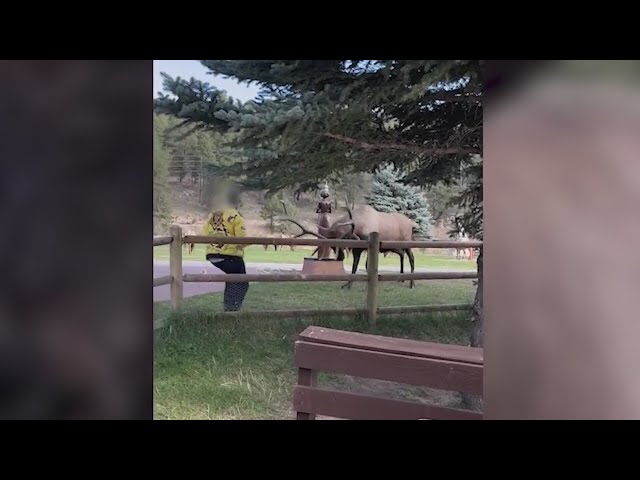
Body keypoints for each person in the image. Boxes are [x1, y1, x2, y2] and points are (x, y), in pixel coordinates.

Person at [204, 190, 249, 311]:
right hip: (229, 255)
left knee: (232, 279)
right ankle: (232, 309)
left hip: (212, 254)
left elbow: (205, 233)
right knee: (242, 282)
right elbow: (241, 239)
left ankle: (229, 307)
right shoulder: (236, 216)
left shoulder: (212, 215)